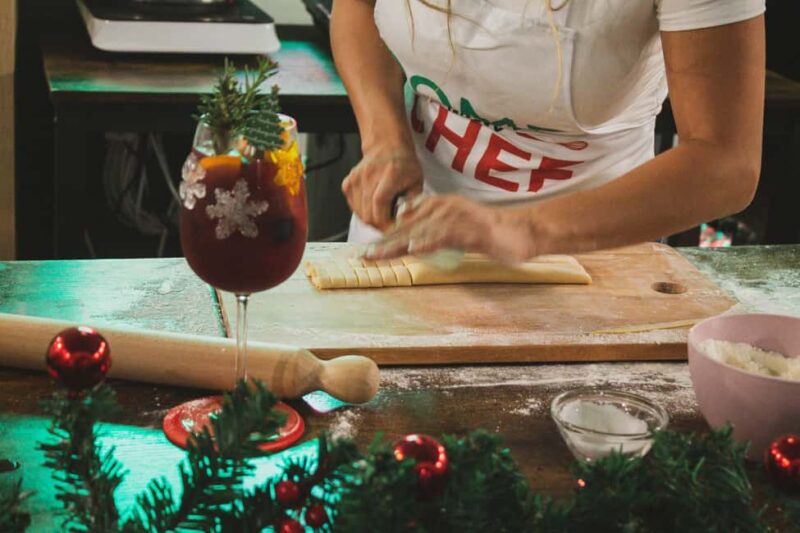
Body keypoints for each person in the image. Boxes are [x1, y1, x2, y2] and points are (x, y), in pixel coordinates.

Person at [330, 0, 766, 262]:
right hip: (404, 232)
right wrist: (385, 139)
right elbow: (357, 8)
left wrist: (522, 229)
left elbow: (724, 161)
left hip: (589, 253)